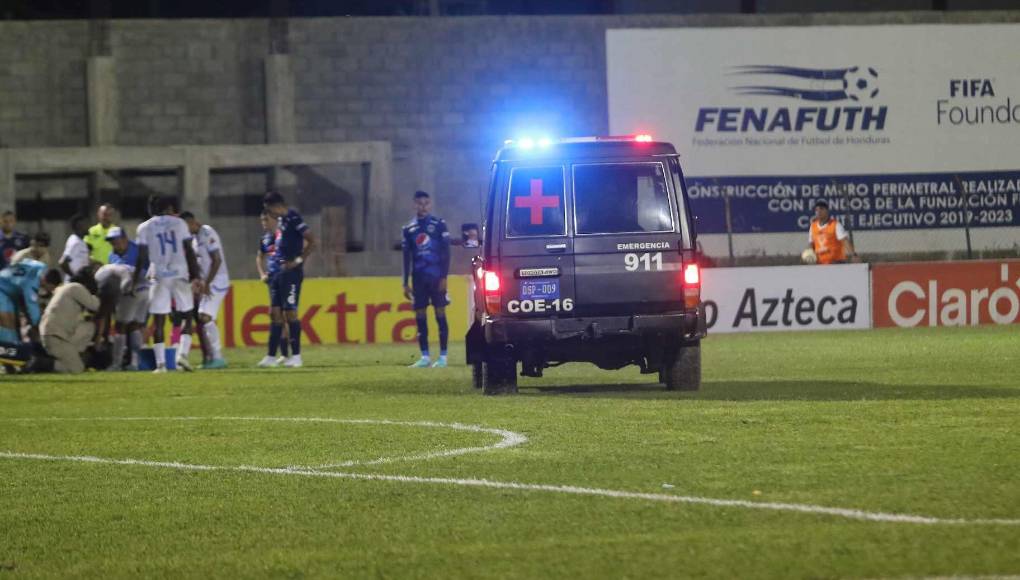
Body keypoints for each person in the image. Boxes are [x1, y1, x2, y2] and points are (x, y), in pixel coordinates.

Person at [134, 195, 203, 373]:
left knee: (159, 320)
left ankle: (161, 365)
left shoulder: (144, 227)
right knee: (187, 315)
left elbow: (141, 256)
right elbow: (188, 249)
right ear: (168, 207)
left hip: (158, 274)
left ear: (151, 209)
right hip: (180, 272)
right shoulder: (179, 223)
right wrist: (196, 275)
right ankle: (182, 356)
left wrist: (135, 280)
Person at [258, 192, 315, 369]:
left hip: (292, 274)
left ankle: (296, 356)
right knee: (275, 314)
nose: (270, 214)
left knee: (290, 313)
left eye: (270, 210)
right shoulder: (282, 220)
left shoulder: (293, 217)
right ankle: (270, 356)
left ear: (276, 206)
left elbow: (312, 241)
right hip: (278, 273)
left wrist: (298, 261)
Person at [401, 190, 451, 368]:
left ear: (430, 204)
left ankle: (443, 357)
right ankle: (425, 357)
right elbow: (406, 258)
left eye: (426, 203)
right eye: (419, 203)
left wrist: (445, 277)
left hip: (436, 278)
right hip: (419, 280)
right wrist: (405, 282)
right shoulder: (408, 229)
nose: (422, 206)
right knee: (420, 316)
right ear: (414, 204)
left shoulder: (438, 225)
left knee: (440, 314)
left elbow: (446, 253)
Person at [181, 211, 230, 369]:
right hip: (207, 282)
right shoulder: (194, 240)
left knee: (205, 316)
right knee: (204, 318)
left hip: (217, 280)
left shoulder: (207, 232)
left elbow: (217, 260)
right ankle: (213, 357)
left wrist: (207, 283)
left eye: (184, 227)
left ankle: (218, 357)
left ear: (192, 222)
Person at [40, 269, 101, 374]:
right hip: (56, 336)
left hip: (53, 334)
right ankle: (41, 363)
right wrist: (97, 296)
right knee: (77, 369)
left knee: (88, 326)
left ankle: (53, 361)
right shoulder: (75, 287)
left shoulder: (64, 289)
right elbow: (94, 305)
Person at [106, 227, 149, 370]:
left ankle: (117, 364)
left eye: (117, 242)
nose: (114, 246)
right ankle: (135, 363)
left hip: (135, 290)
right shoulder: (113, 255)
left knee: (120, 326)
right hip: (143, 291)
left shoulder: (136, 251)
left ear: (125, 239)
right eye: (112, 243)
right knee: (135, 325)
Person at [255, 211, 288, 364]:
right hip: (272, 280)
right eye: (262, 221)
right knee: (277, 315)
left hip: (285, 278)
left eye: (266, 220)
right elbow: (259, 257)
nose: (264, 224)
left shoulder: (284, 235)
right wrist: (262, 273)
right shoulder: (265, 239)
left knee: (283, 316)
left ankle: (286, 354)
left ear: (274, 220)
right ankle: (282, 355)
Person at [0, 260, 57, 346]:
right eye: (50, 288)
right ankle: (7, 352)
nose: (48, 291)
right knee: (9, 327)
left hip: (10, 288)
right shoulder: (31, 284)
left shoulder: (42, 267)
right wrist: (41, 328)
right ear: (45, 282)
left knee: (16, 326)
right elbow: (33, 313)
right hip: (3, 291)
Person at [807, 201, 858, 265]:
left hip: (836, 262)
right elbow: (811, 244)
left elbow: (845, 240)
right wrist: (810, 255)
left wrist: (853, 255)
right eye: (817, 210)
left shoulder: (835, 224)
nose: (819, 212)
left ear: (827, 211)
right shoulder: (813, 226)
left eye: (821, 209)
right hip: (820, 263)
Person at [60, 214, 93, 280]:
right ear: (79, 225)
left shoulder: (81, 241)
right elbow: (63, 263)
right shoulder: (75, 242)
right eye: (86, 224)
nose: (89, 227)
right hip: (74, 285)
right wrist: (75, 278)